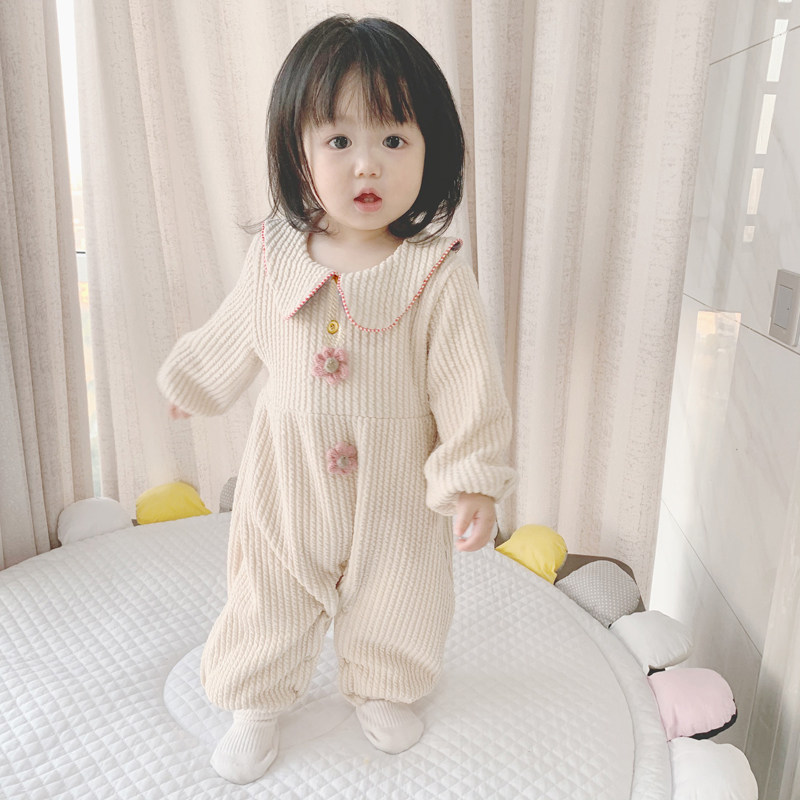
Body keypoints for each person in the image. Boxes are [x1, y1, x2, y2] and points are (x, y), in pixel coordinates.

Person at [158, 14, 515, 785]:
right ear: (298, 150)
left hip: (397, 483)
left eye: (394, 139)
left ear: (433, 150)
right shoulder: (276, 254)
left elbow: (468, 384)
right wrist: (196, 380)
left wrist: (473, 480)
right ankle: (255, 702)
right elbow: (237, 330)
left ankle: (384, 684)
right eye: (339, 139)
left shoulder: (436, 273)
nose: (367, 165)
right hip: (287, 474)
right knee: (268, 587)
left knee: (400, 590)